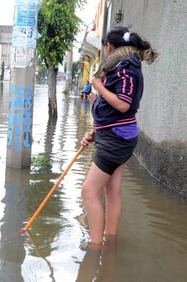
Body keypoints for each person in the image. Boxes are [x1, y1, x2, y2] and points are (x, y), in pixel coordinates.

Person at [80, 26, 157, 247]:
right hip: (114, 134)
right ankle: (110, 242)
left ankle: (95, 247)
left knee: (88, 191)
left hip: (116, 139)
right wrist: (96, 132)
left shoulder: (126, 70)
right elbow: (113, 111)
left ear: (109, 47)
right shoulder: (121, 69)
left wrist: (98, 86)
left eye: (105, 48)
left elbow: (123, 105)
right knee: (112, 190)